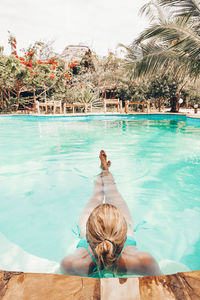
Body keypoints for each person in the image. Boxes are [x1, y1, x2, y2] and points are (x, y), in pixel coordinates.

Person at [61, 150, 162, 277]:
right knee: (112, 191)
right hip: (123, 243)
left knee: (96, 196)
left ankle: (102, 172)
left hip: (88, 246)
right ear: (124, 235)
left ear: (88, 236)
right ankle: (106, 172)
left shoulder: (70, 264)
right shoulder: (145, 262)